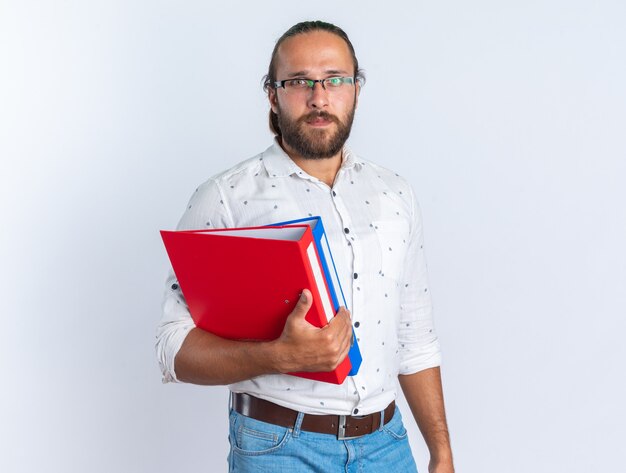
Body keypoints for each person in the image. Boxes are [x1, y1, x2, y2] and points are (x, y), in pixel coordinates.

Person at [156, 20, 454, 473]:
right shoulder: (226, 199)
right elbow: (173, 350)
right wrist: (277, 356)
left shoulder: (395, 195)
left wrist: (441, 450)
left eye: (335, 79)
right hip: (279, 449)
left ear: (356, 89)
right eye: (299, 82)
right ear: (273, 95)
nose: (319, 97)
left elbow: (415, 337)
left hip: (389, 447)